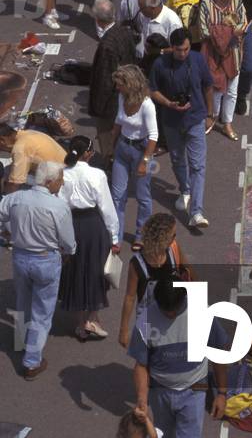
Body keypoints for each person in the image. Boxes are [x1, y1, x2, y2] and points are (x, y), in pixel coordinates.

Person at [0, 162, 75, 379]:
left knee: (23, 301)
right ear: (49, 181)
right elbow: (68, 242)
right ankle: (32, 361)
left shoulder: (16, 198)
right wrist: (69, 252)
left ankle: (22, 341)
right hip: (46, 260)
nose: (62, 182)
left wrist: (7, 231)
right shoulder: (58, 207)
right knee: (42, 311)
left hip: (21, 257)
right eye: (60, 178)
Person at [127, 278, 228, 433]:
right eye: (165, 311)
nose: (170, 314)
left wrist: (221, 394)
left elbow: (218, 353)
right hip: (160, 391)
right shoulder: (146, 320)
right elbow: (141, 365)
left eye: (175, 309)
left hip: (195, 388)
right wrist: (142, 399)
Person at [149, 28, 214, 230]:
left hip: (195, 120)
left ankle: (196, 212)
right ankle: (185, 190)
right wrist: (169, 103)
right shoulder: (160, 64)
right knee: (177, 160)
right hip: (171, 122)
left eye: (186, 49)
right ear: (172, 48)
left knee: (198, 166)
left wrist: (210, 115)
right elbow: (152, 91)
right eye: (179, 50)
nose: (183, 54)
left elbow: (208, 86)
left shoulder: (198, 60)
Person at [60, 134, 119, 342]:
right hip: (94, 227)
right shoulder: (97, 175)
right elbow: (107, 209)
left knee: (74, 272)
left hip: (71, 226)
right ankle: (92, 317)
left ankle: (80, 324)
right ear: (88, 153)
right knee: (96, 271)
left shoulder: (63, 174)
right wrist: (114, 237)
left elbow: (60, 205)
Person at [118, 211, 189, 350]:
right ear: (162, 238)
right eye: (173, 235)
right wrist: (123, 330)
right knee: (148, 358)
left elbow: (187, 271)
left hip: (172, 313)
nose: (175, 238)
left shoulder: (173, 249)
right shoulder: (137, 264)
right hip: (148, 320)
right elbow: (130, 297)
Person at [110, 64, 158, 251]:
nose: (117, 88)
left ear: (129, 84)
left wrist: (145, 162)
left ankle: (141, 234)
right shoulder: (122, 97)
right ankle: (116, 237)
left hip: (142, 150)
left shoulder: (147, 105)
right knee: (117, 196)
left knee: (142, 196)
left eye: (119, 84)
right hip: (123, 147)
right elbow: (118, 122)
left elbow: (154, 136)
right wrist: (110, 147)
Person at [198, 0, 248, 141]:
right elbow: (204, 30)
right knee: (216, 89)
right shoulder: (206, 4)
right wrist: (228, 32)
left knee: (232, 91)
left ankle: (227, 123)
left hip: (233, 53)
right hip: (212, 55)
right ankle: (212, 116)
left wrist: (224, 31)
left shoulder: (238, 2)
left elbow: (243, 23)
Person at [89, 0, 137, 161]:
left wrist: (98, 108)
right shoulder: (124, 32)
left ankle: (112, 170)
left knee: (107, 139)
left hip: (110, 102)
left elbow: (105, 80)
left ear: (98, 19)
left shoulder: (106, 45)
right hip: (127, 92)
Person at [0, 123, 66, 193]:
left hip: (59, 179)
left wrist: (4, 198)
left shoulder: (20, 148)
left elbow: (14, 184)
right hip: (66, 167)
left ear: (2, 140)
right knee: (9, 170)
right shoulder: (28, 133)